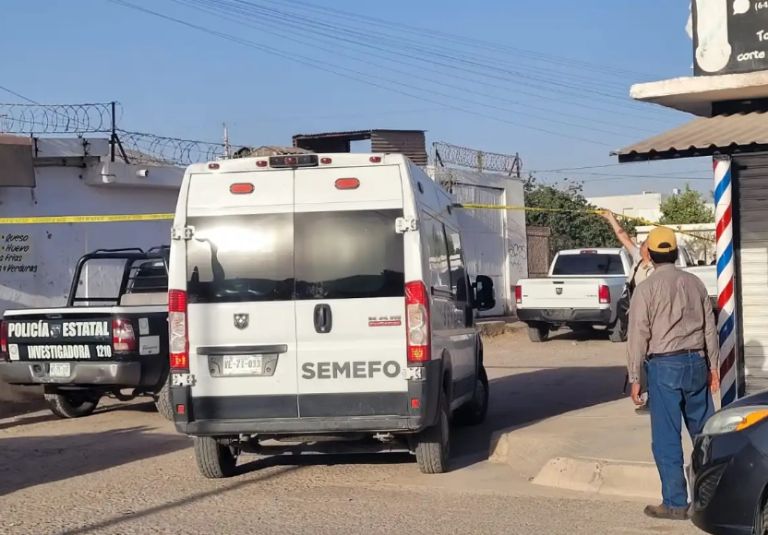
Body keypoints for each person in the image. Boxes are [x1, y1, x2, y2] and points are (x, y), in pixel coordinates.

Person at [627, 227, 720, 520]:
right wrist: (714, 367)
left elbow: (638, 335)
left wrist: (635, 377)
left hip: (664, 366)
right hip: (697, 364)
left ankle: (676, 503)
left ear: (651, 255)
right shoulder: (695, 284)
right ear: (676, 253)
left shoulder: (646, 288)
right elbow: (709, 329)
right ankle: (713, 498)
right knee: (706, 437)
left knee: (667, 439)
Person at [600, 210, 653, 411]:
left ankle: (652, 396)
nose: (640, 246)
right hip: (634, 315)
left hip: (649, 317)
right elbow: (623, 235)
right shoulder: (637, 260)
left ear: (651, 249)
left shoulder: (655, 269)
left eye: (645, 244)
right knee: (636, 356)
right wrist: (611, 218)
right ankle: (644, 392)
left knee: (649, 356)